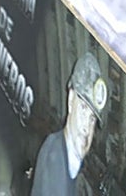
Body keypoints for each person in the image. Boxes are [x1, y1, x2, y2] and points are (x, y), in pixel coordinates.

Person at [30, 52, 108, 196]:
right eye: (83, 108)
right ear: (71, 100)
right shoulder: (55, 162)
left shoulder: (66, 156)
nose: (86, 128)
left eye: (92, 119)